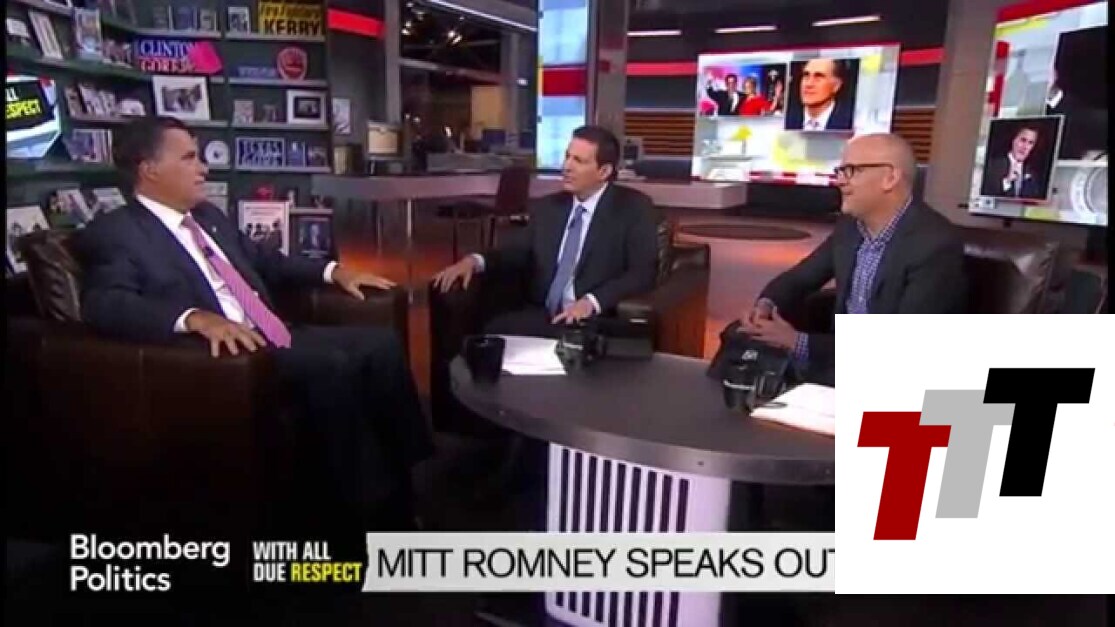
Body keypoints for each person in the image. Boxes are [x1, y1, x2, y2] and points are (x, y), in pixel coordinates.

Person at [74, 117, 434, 531]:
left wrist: (333, 271)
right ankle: (364, 512)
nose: (203, 168)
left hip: (273, 329)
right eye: (189, 158)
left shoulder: (207, 216)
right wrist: (192, 318)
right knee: (333, 366)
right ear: (149, 169)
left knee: (381, 344)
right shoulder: (116, 232)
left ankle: (410, 473)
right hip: (233, 354)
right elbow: (105, 303)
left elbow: (267, 261)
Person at [738, 134, 967, 384]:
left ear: (890, 178)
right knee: (742, 342)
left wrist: (798, 342)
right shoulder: (849, 227)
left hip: (891, 376)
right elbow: (801, 278)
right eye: (840, 171)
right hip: (836, 359)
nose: (840, 181)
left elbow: (903, 348)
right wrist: (766, 305)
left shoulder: (935, 245)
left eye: (851, 171)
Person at [432, 125, 659, 338]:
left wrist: (591, 302)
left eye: (578, 161)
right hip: (541, 314)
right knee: (489, 336)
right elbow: (516, 249)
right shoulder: (549, 207)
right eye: (567, 156)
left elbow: (641, 273)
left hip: (590, 320)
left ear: (604, 171)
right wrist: (474, 261)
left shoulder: (633, 209)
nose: (566, 167)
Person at [784, 58, 854, 131]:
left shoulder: (850, 122)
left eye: (819, 77)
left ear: (836, 85)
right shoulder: (786, 119)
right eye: (806, 75)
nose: (809, 84)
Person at [980, 125, 1046, 199]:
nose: (1025, 147)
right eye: (1023, 140)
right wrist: (1007, 182)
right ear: (1013, 140)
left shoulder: (1033, 174)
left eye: (1030, 143)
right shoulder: (992, 166)